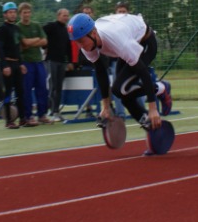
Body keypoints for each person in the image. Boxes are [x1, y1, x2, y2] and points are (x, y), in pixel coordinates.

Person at [67, 12, 173, 155]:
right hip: (129, 38)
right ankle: (151, 127)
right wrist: (105, 106)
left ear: (93, 33)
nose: (79, 45)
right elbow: (101, 72)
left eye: (81, 41)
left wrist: (153, 107)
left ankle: (162, 88)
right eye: (76, 42)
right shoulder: (88, 43)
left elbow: (143, 72)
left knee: (120, 89)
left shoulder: (116, 40)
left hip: (145, 42)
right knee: (122, 94)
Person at [0, 2, 33, 129]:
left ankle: (23, 119)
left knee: (20, 92)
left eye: (14, 12)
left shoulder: (17, 29)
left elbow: (18, 48)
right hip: (7, 63)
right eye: (10, 12)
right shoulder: (1, 29)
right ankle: (9, 120)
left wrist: (21, 63)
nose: (12, 14)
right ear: (5, 14)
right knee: (8, 93)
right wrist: (4, 65)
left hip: (17, 63)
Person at [17, 3, 50, 125]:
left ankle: (42, 114)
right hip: (26, 62)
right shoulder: (18, 27)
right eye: (24, 12)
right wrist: (37, 39)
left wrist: (31, 42)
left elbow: (45, 41)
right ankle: (29, 116)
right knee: (26, 90)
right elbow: (23, 43)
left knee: (42, 88)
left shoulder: (36, 25)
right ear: (20, 14)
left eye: (28, 12)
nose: (27, 14)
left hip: (39, 61)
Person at [43, 9, 74, 122]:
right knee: (52, 86)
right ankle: (50, 111)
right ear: (58, 16)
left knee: (59, 87)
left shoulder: (66, 30)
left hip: (61, 62)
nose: (66, 17)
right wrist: (44, 46)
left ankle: (56, 111)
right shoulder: (51, 26)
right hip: (51, 61)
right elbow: (41, 33)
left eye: (67, 15)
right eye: (64, 15)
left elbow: (68, 47)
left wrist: (70, 61)